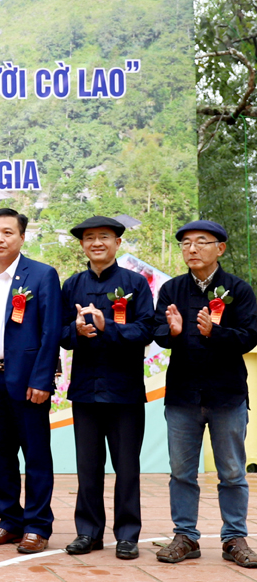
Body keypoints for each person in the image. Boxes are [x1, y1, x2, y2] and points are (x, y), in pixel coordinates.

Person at [153, 220, 257, 569]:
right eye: (185, 244)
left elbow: (248, 337)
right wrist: (172, 331)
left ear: (220, 248)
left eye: (200, 242)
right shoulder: (171, 290)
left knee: (231, 472)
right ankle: (185, 537)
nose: (191, 249)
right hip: (183, 396)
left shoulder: (238, 290)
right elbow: (159, 333)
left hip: (226, 395)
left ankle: (234, 538)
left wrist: (217, 332)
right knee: (182, 472)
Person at [59, 217, 154, 561]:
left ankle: (127, 535)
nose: (96, 243)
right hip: (85, 389)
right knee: (88, 466)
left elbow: (146, 330)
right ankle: (88, 532)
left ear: (116, 243)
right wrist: (77, 332)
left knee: (127, 466)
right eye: (89, 238)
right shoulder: (71, 284)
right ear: (82, 245)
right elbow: (59, 332)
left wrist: (107, 326)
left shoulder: (135, 284)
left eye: (104, 237)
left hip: (124, 390)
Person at [0, 208, 62, 555]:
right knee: (1, 454)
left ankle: (37, 526)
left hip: (28, 383)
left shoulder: (41, 275)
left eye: (7, 232)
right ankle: (9, 520)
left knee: (36, 454)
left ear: (22, 237)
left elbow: (52, 331)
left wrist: (42, 379)